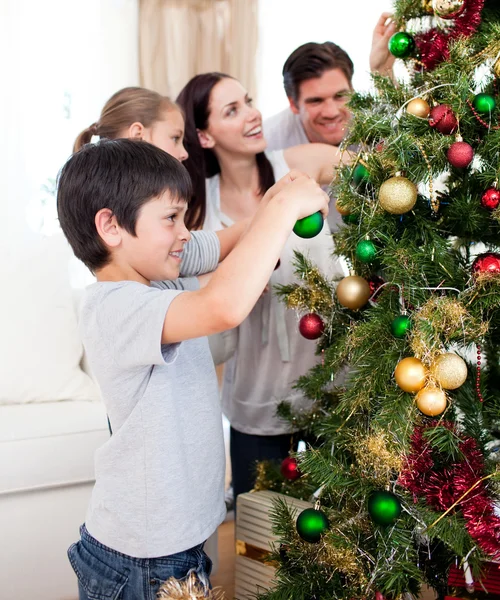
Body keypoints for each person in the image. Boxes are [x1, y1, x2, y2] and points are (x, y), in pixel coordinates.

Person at [57, 137, 329, 599]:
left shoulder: (162, 271)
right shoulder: (115, 305)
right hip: (141, 558)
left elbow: (223, 242)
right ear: (111, 227)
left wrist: (274, 202)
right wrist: (282, 212)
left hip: (173, 543)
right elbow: (221, 307)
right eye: (170, 218)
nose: (185, 232)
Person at [176, 72, 350, 503]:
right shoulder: (198, 208)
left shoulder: (298, 165)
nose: (252, 115)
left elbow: (379, 165)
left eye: (249, 101)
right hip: (258, 398)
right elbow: (207, 314)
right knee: (262, 541)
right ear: (204, 134)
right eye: (232, 111)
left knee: (346, 534)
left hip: (334, 385)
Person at [264, 13, 396, 151]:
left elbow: (408, 136)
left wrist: (383, 70)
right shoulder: (269, 143)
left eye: (340, 96)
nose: (331, 112)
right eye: (316, 101)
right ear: (293, 104)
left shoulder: (372, 123)